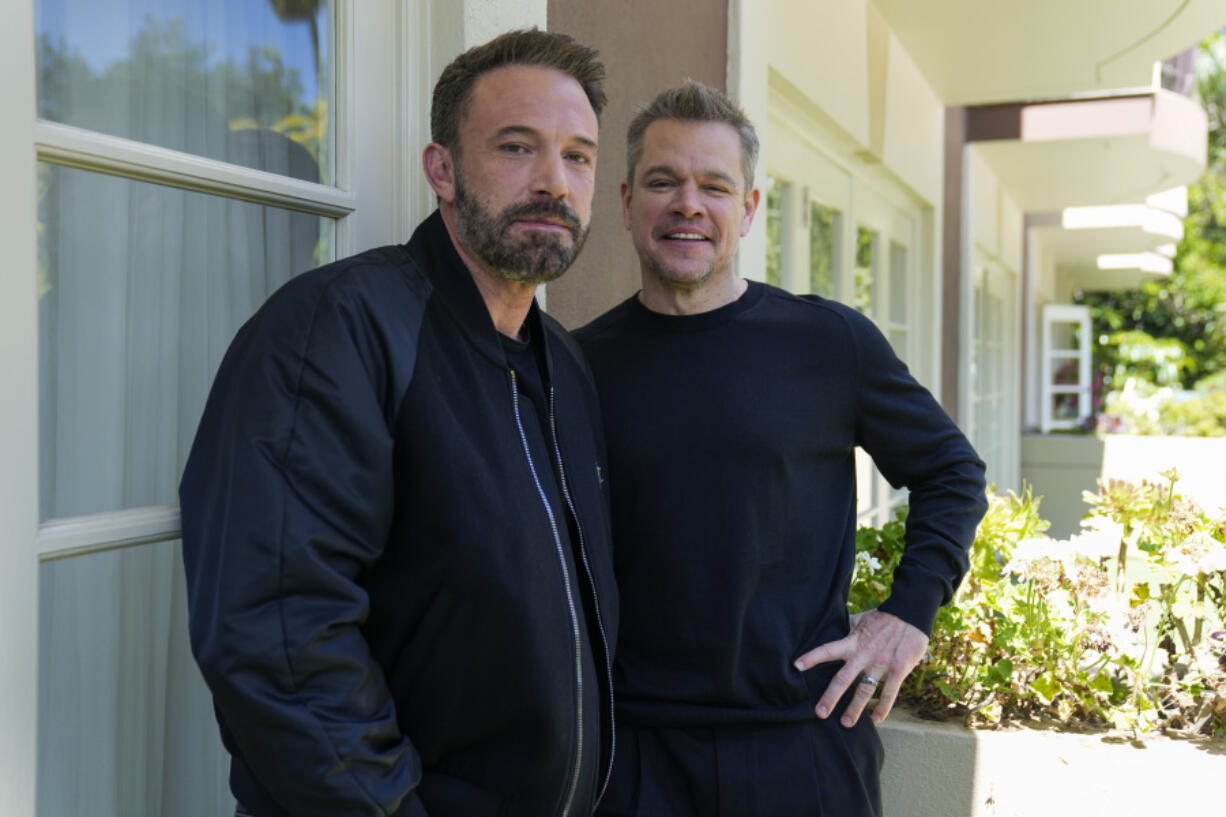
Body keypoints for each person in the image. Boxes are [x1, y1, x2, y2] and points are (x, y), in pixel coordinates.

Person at [180, 29, 618, 817]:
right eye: (518, 147)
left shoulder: (566, 366)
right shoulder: (335, 330)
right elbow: (279, 636)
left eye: (578, 156)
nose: (554, 181)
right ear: (441, 169)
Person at [574, 81, 987, 817]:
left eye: (714, 186)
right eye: (664, 182)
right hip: (633, 756)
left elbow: (951, 471)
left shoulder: (830, 344)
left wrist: (908, 615)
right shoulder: (576, 367)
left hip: (802, 746)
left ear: (750, 208)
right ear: (628, 198)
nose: (688, 204)